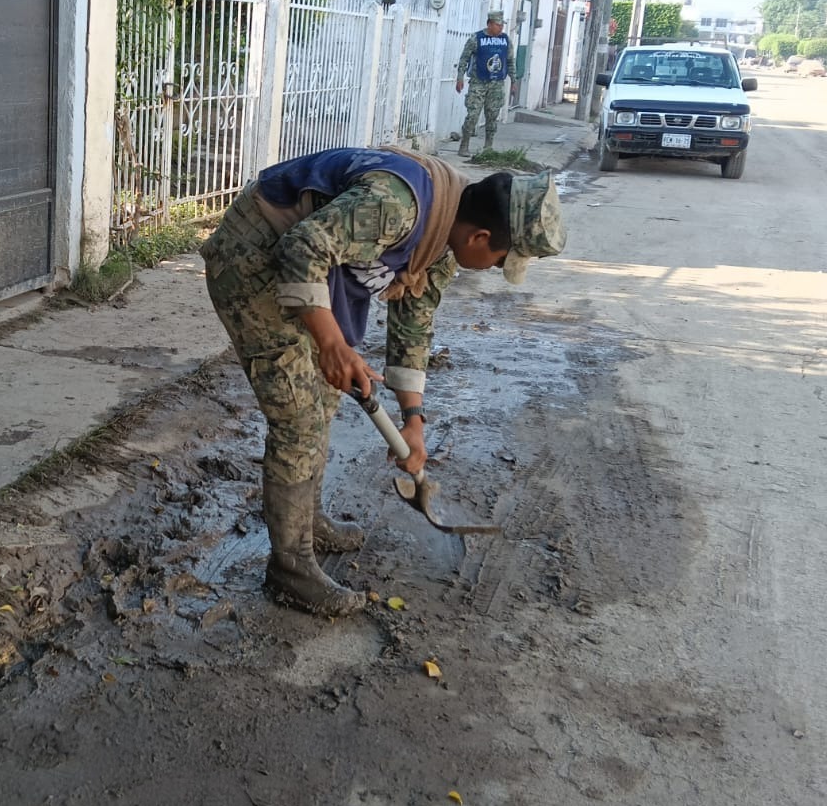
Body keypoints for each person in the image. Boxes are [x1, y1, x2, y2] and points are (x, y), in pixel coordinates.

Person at [199, 145, 566, 618]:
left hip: (299, 261)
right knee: (298, 416)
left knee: (325, 395)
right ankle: (290, 567)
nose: (495, 269)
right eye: (500, 261)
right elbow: (301, 248)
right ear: (479, 236)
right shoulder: (398, 206)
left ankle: (307, 521)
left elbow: (413, 324)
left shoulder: (443, 241)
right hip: (253, 254)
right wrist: (332, 344)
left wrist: (413, 420)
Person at [455, 10, 514, 157]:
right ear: (489, 24)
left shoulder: (505, 40)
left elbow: (510, 61)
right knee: (473, 115)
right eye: (498, 25)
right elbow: (464, 58)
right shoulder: (477, 38)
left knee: (492, 115)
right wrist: (460, 77)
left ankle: (488, 147)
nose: (501, 28)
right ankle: (464, 145)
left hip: (497, 83)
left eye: (502, 25)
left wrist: (514, 80)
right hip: (478, 82)